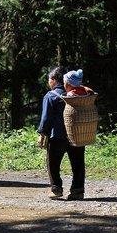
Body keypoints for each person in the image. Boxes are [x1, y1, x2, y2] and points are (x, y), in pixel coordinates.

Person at [37, 67, 87, 201]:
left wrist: (42, 133)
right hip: (76, 134)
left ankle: (56, 189)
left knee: (53, 163)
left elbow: (46, 117)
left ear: (53, 80)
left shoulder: (51, 95)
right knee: (78, 163)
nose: (48, 82)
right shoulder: (77, 94)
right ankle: (77, 191)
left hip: (57, 136)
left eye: (49, 80)